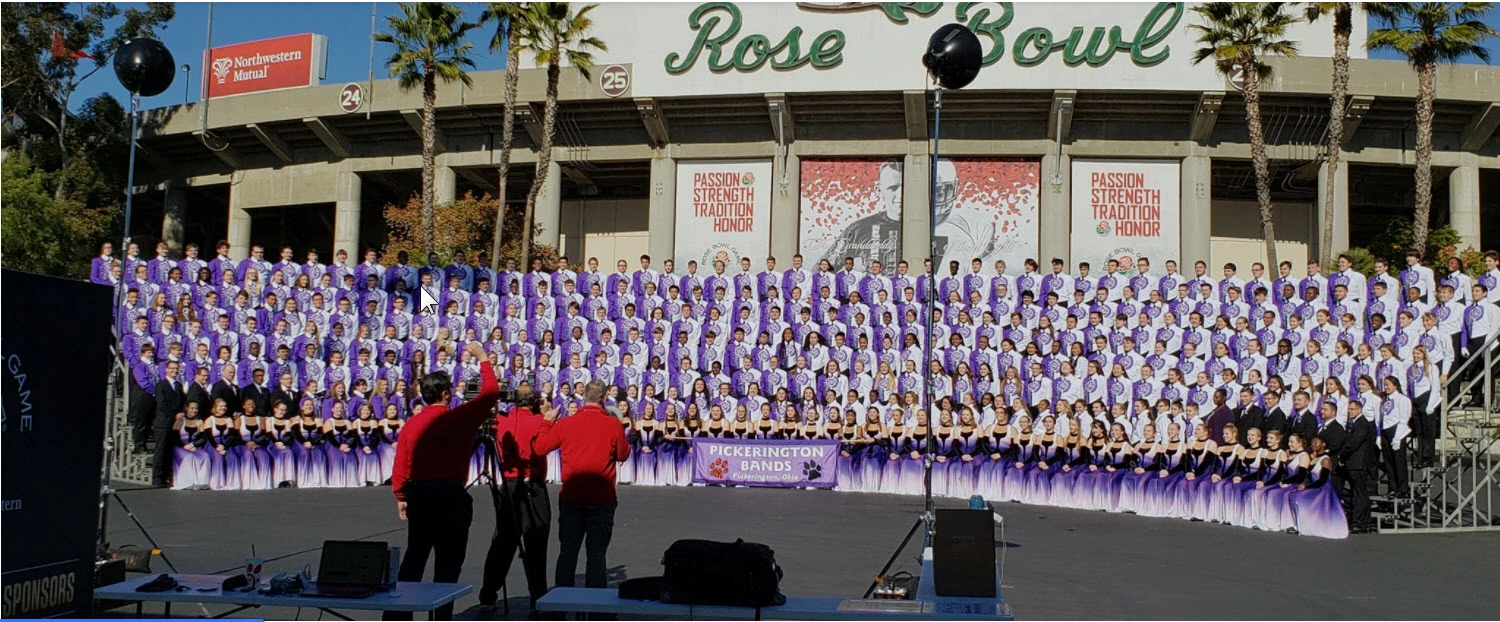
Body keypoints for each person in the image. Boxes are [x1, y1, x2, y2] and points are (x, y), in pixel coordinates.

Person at [386, 341, 499, 621]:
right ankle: (441, 617)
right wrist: (482, 357)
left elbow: (401, 465)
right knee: (448, 566)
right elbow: (491, 392)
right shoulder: (459, 418)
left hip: (420, 494)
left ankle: (399, 616)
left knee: (415, 558)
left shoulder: (412, 424)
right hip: (450, 494)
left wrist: (401, 495)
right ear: (447, 394)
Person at [534, 380, 631, 590]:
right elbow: (623, 454)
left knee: (568, 552)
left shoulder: (566, 423)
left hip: (572, 496)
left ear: (584, 396)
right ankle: (595, 602)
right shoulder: (612, 424)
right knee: (597, 554)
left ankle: (561, 600)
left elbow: (540, 448)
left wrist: (546, 422)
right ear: (604, 398)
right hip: (601, 497)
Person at [480, 386, 552, 613]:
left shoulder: (502, 421)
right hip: (533, 484)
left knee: (502, 542)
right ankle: (537, 597)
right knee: (536, 544)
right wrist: (546, 417)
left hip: (508, 484)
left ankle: (488, 595)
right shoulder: (540, 421)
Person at [152, 360, 186, 487]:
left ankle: (166, 475)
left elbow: (183, 402)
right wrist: (174, 414)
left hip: (175, 424)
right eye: (172, 368)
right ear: (166, 370)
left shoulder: (178, 386)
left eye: (176, 368)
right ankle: (157, 478)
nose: (174, 371)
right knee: (161, 451)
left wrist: (181, 413)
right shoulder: (161, 385)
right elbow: (162, 404)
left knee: (170, 451)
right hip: (163, 423)